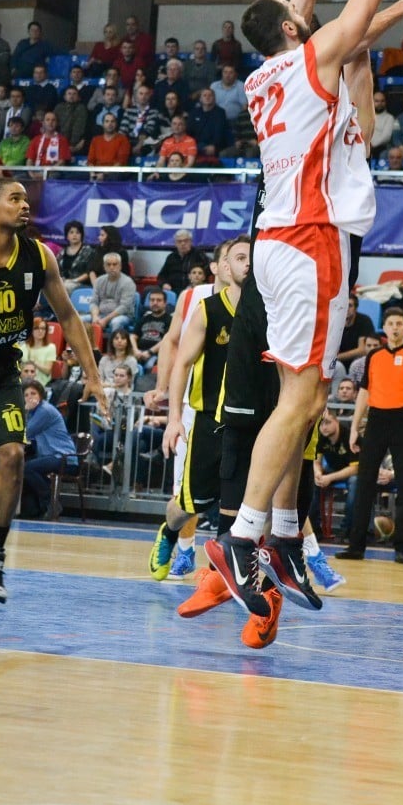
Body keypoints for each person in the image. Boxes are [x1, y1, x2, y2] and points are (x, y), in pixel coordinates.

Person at [205, 0, 397, 617]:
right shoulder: (306, 60)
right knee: (301, 398)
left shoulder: (266, 78)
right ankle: (244, 534)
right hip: (311, 241)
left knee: (306, 397)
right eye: (298, 11)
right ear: (292, 30)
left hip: (278, 243)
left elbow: (292, 27)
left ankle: (278, 529)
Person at [0, 177, 106, 602]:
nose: (24, 205)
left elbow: (69, 317)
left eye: (25, 198)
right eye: (14, 198)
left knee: (14, 454)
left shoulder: (39, 256)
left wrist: (92, 375)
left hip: (1, 374)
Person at [149, 237, 250, 580]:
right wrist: (174, 418)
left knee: (241, 505)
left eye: (253, 258)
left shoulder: (270, 313)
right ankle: (169, 531)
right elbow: (181, 362)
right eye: (240, 257)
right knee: (188, 503)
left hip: (249, 422)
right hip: (208, 420)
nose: (247, 264)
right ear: (223, 266)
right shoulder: (207, 308)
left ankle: (221, 576)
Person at [335, 307, 403, 564]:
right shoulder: (374, 356)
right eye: (390, 323)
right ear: (385, 328)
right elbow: (364, 394)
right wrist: (355, 428)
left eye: (399, 323)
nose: (394, 328)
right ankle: (356, 545)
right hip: (376, 421)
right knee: (365, 482)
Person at [20, 379, 77, 519]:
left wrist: (24, 411)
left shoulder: (44, 410)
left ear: (41, 395)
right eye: (26, 395)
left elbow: (27, 432)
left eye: (33, 393)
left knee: (27, 468)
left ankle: (51, 503)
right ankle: (35, 509)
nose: (30, 398)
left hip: (64, 457)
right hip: (50, 456)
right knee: (23, 467)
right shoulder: (35, 412)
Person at [313, 408, 359, 542]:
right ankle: (315, 530)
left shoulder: (349, 436)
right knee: (312, 481)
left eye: (327, 422)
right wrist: (318, 474)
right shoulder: (320, 437)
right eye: (321, 424)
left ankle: (346, 531)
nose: (324, 427)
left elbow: (355, 469)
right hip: (332, 470)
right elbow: (316, 462)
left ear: (337, 422)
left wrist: (329, 478)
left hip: (351, 472)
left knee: (355, 482)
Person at [90, 253, 137, 333]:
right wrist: (95, 316)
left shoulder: (128, 282)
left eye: (115, 264)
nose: (111, 267)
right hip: (100, 315)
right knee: (80, 320)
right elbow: (94, 302)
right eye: (108, 264)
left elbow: (124, 307)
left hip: (123, 316)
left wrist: (105, 320)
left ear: (120, 266)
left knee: (116, 322)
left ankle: (112, 345)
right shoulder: (99, 281)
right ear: (104, 267)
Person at [158, 229, 210, 294]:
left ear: (191, 242)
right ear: (175, 244)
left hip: (194, 289)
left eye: (186, 241)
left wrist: (197, 283)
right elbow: (162, 276)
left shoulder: (199, 255)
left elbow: (209, 270)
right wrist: (164, 284)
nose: (183, 243)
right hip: (173, 290)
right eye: (179, 241)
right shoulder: (171, 257)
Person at [130, 287, 171, 371]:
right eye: (152, 300)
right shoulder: (144, 318)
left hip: (156, 355)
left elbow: (166, 340)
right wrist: (135, 350)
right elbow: (133, 336)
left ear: (165, 303)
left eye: (158, 300)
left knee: (149, 366)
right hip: (139, 352)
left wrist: (150, 352)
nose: (155, 303)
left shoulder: (170, 320)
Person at [55, 220, 95, 295]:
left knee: (65, 287)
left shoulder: (88, 251)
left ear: (81, 235)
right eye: (71, 232)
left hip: (80, 283)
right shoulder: (62, 252)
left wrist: (74, 280)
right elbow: (57, 270)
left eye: (77, 232)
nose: (74, 235)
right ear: (67, 235)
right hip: (63, 282)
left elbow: (88, 272)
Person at [18, 316, 58, 387]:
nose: (40, 331)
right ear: (31, 330)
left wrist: (35, 363)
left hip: (41, 384)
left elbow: (48, 370)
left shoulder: (50, 347)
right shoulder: (23, 347)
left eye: (43, 328)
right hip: (23, 383)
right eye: (36, 328)